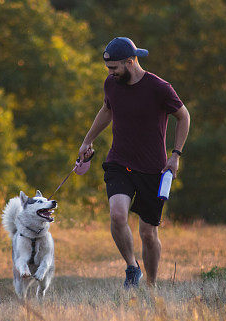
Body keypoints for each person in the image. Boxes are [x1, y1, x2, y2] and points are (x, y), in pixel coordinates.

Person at [78, 37, 190, 288]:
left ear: (130, 62)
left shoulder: (159, 88)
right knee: (118, 215)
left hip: (154, 168)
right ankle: (132, 267)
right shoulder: (112, 84)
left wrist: (175, 155)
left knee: (148, 234)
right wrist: (88, 141)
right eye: (109, 69)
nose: (110, 73)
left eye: (114, 68)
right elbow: (107, 109)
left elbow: (183, 117)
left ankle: (151, 287)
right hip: (120, 161)